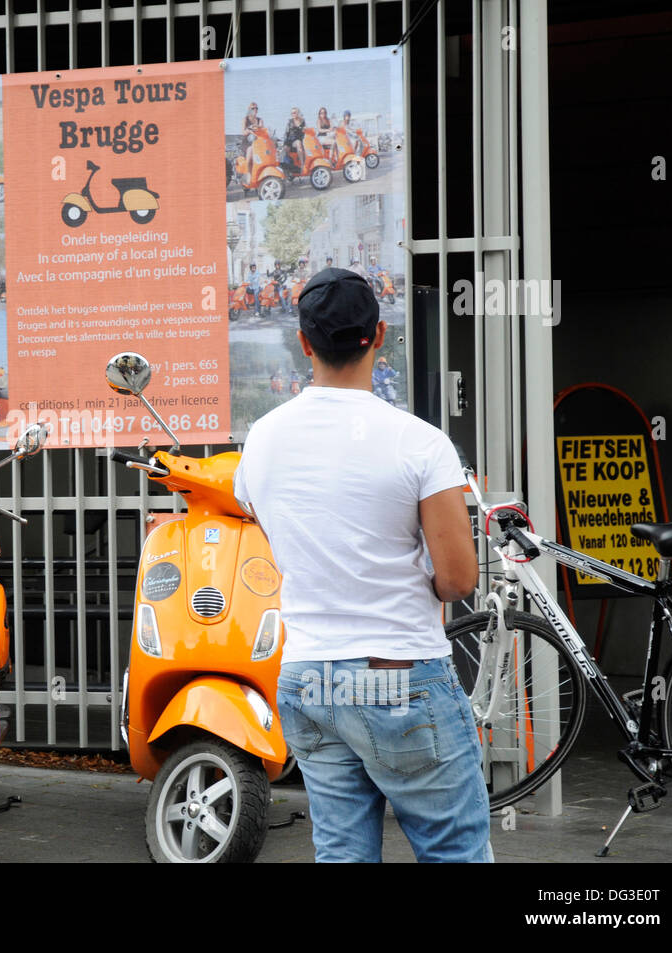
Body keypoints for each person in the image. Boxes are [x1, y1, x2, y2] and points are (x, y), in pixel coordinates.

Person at [233, 268, 488, 863]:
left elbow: (278, 532)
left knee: (343, 854)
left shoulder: (262, 440)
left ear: (303, 343)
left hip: (309, 678)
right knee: (453, 851)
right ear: (379, 334)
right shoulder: (419, 442)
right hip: (393, 670)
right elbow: (458, 579)